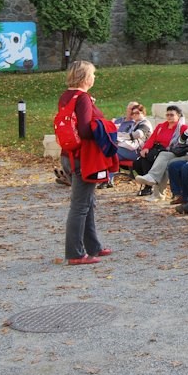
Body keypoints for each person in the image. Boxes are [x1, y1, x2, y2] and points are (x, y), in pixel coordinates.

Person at [60, 61, 114, 266]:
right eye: (93, 74)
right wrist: (105, 128)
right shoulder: (82, 98)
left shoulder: (67, 96)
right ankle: (75, 252)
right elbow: (83, 130)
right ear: (84, 77)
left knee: (87, 202)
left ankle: (93, 246)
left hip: (69, 154)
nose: (94, 78)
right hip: (83, 157)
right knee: (80, 205)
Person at [135, 108, 188, 201]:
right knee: (164, 155)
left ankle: (162, 193)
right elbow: (181, 141)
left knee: (169, 164)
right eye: (167, 115)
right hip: (184, 152)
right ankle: (153, 179)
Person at [134, 105, 187, 195]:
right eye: (167, 115)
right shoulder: (161, 126)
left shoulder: (183, 128)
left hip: (169, 151)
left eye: (172, 115)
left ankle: (149, 187)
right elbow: (152, 138)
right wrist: (146, 148)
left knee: (148, 161)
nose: (169, 117)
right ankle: (150, 183)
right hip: (156, 149)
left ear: (178, 115)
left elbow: (183, 143)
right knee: (138, 162)